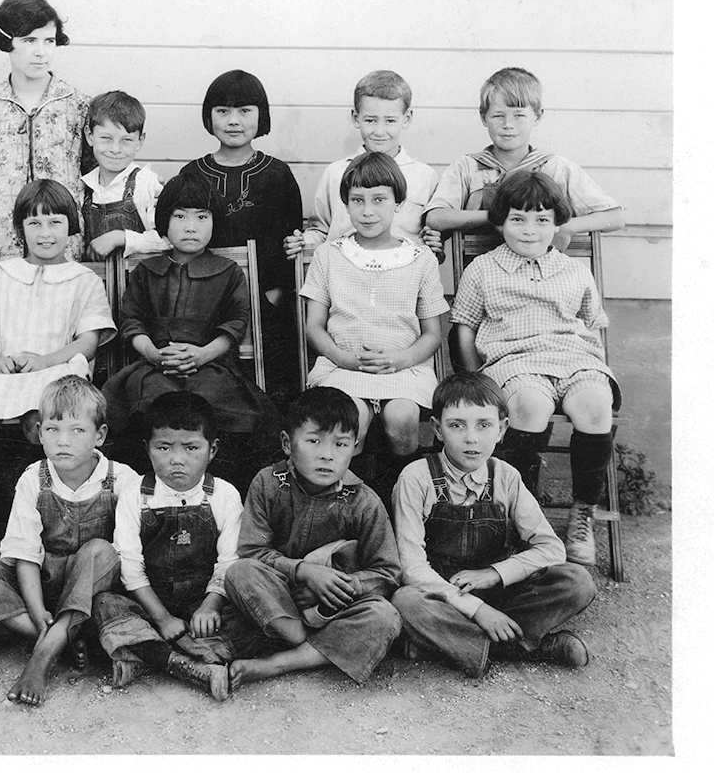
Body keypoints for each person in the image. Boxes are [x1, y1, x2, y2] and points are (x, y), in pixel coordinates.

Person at [450, 170, 620, 566]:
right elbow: (463, 329)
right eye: (518, 219)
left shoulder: (574, 270)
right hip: (514, 361)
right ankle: (522, 513)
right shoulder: (485, 269)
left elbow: (591, 324)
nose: (530, 230)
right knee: (529, 407)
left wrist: (592, 365)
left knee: (596, 406)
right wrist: (477, 381)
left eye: (542, 220)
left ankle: (582, 513)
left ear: (557, 224)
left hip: (573, 357)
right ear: (500, 222)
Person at [0, 179, 116, 554]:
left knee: (38, 419)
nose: (45, 233)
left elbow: (87, 343)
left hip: (57, 371)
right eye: (34, 223)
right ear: (20, 227)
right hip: (0, 372)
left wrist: (44, 361)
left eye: (55, 222)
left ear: (71, 226)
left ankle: (36, 521)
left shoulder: (84, 280)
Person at [392, 372, 597, 677]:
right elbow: (412, 568)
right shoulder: (415, 478)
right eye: (457, 425)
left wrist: (493, 575)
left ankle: (446, 644)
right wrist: (479, 611)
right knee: (406, 601)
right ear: (437, 428)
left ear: (502, 429)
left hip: (498, 590)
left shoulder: (506, 476)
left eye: (484, 425)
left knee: (577, 582)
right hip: (442, 593)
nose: (471, 438)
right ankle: (529, 648)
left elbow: (551, 548)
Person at [102, 171, 280, 495]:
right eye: (180, 216)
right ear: (164, 221)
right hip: (156, 364)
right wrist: (154, 353)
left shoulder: (228, 273)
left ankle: (221, 490)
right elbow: (131, 321)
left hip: (212, 364)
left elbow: (235, 324)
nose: (190, 226)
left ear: (214, 221)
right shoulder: (146, 272)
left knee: (217, 403)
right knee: (148, 401)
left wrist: (201, 354)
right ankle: (149, 490)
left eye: (202, 216)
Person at [0, 376, 138, 706]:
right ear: (38, 432)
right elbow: (25, 552)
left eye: (77, 430)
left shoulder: (122, 479)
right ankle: (55, 633)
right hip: (45, 585)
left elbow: (125, 554)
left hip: (95, 585)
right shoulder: (34, 477)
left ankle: (43, 654)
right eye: (53, 430)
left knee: (99, 550)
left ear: (99, 435)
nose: (63, 441)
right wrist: (37, 608)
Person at [224, 386, 402, 690]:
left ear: (355, 448)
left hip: (334, 605)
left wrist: (340, 587)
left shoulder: (363, 501)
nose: (326, 454)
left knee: (384, 616)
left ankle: (277, 663)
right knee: (239, 572)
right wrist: (304, 572)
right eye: (314, 440)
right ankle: (308, 643)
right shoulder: (268, 483)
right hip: (278, 597)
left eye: (341, 444)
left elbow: (387, 572)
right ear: (287, 443)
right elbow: (252, 551)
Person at [299, 152, 449, 503]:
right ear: (346, 205)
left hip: (404, 367)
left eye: (379, 200)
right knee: (351, 419)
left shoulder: (420, 259)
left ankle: (403, 500)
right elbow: (315, 326)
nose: (367, 211)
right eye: (357, 201)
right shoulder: (329, 255)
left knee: (401, 417)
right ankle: (348, 505)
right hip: (342, 364)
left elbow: (432, 334)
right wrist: (342, 358)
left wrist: (401, 358)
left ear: (398, 203)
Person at [92, 391, 246, 701]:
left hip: (201, 605)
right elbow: (130, 567)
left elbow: (229, 561)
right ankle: (184, 662)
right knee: (105, 605)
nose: (177, 459)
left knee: (246, 618)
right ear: (147, 449)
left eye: (191, 448)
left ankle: (144, 657)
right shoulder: (136, 494)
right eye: (163, 447)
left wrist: (210, 605)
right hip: (150, 604)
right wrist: (161, 618)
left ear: (212, 449)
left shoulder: (224, 495)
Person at [180, 69, 303, 402]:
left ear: (261, 117)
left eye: (244, 111)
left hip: (265, 303)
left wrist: (273, 296)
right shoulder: (193, 173)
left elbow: (290, 244)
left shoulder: (277, 174)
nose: (233, 121)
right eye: (223, 111)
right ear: (209, 117)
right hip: (204, 303)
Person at [0, 0, 92, 286]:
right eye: (29, 40)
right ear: (7, 42)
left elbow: (96, 176)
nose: (41, 52)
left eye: (49, 41)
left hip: (59, 245)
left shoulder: (79, 105)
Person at [423, 66, 624, 250]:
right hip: (483, 278)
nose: (508, 124)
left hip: (546, 278)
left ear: (537, 116)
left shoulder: (555, 168)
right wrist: (496, 217)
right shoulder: (467, 167)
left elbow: (615, 217)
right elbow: (436, 217)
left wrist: (568, 226)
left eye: (518, 115)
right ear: (484, 117)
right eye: (498, 115)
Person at [284, 69, 443, 260]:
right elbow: (320, 230)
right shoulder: (336, 173)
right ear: (355, 117)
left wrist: (435, 245)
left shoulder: (424, 176)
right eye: (370, 120)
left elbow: (431, 243)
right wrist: (302, 242)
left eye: (390, 120)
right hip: (343, 275)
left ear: (406, 118)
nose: (379, 131)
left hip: (400, 279)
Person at [79, 90, 170, 259]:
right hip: (96, 282)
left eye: (126, 140)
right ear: (89, 136)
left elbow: (170, 239)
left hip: (141, 281)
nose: (115, 149)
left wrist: (121, 238)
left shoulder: (147, 184)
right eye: (106, 138)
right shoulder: (84, 188)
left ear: (139, 141)